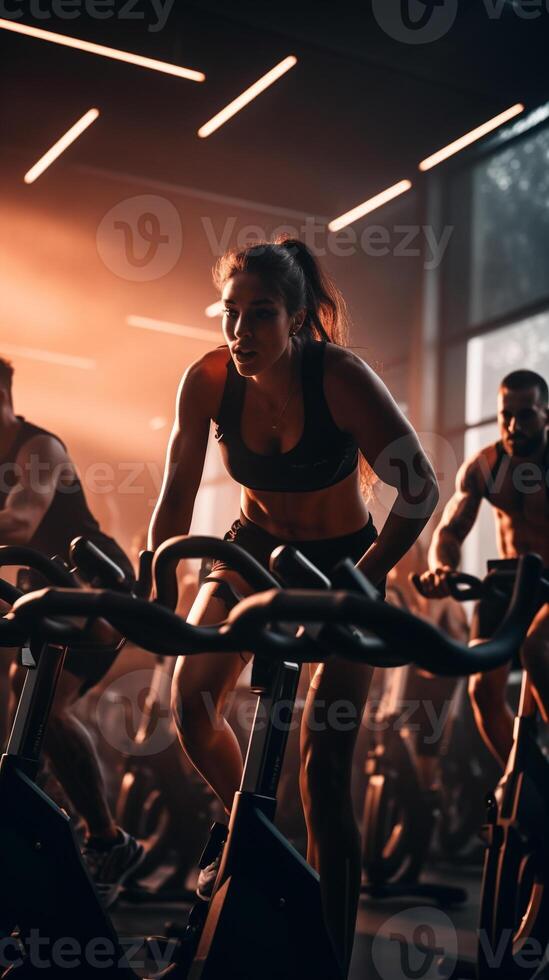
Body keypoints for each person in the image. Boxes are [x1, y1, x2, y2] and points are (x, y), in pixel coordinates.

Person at [149, 238, 439, 973]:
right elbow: (176, 497)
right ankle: (253, 830)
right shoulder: (207, 379)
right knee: (190, 702)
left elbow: (420, 490)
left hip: (345, 562)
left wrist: (361, 584)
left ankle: (331, 956)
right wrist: (155, 583)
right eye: (231, 314)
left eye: (262, 315)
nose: (241, 332)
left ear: (299, 317)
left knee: (323, 762)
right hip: (251, 554)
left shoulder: (339, 378)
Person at [0, 357, 143, 905]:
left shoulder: (39, 448)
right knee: (25, 713)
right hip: (43, 592)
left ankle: (108, 839)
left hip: (94, 585)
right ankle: (57, 828)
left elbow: (19, 521)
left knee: (42, 706)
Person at [420, 369, 549, 770]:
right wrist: (442, 567)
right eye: (505, 415)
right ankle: (527, 781)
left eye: (525, 415)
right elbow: (449, 531)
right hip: (506, 585)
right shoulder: (486, 466)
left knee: (535, 649)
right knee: (481, 691)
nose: (513, 426)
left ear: (546, 414)